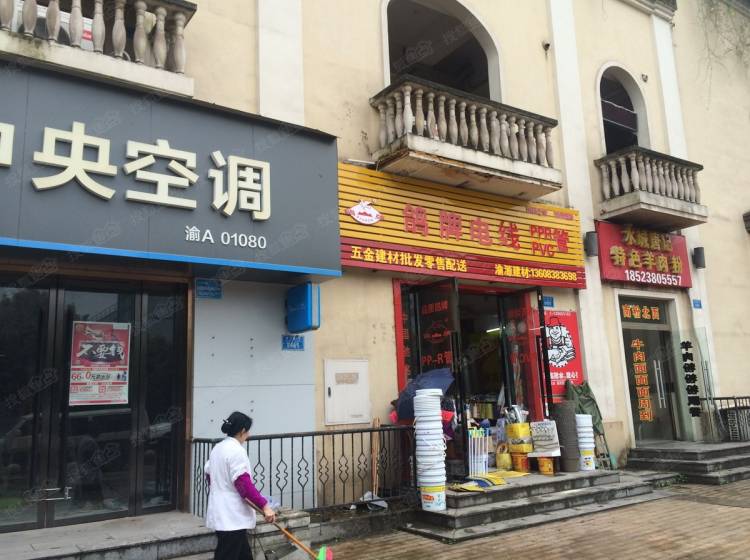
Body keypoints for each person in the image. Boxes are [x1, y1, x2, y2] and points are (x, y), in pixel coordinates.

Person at [205, 411, 276, 560]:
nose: (248, 435)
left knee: (243, 554)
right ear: (242, 430)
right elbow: (243, 484)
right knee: (227, 555)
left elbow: (209, 475)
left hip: (221, 511)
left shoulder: (217, 448)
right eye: (247, 431)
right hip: (231, 515)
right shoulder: (236, 451)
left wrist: (223, 487)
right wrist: (265, 506)